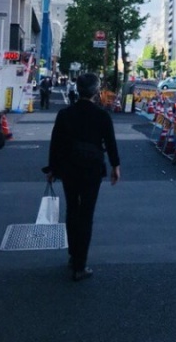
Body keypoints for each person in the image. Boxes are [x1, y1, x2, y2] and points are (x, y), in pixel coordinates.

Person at [46, 73, 121, 282]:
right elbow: (111, 142)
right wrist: (116, 165)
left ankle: (73, 255)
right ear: (97, 92)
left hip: (69, 167)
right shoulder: (102, 116)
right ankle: (81, 264)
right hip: (92, 169)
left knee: (72, 209)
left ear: (78, 90)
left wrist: (52, 169)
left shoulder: (65, 114)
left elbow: (56, 143)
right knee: (86, 213)